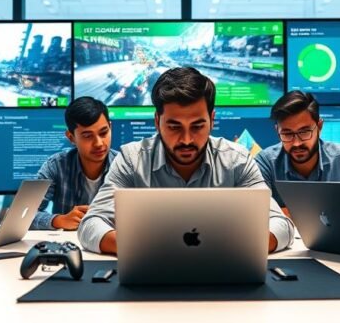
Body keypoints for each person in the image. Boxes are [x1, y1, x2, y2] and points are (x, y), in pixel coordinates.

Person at [78, 67, 294, 255]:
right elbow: (91, 224)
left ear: (212, 120)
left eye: (198, 126)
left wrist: (230, 248)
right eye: (174, 127)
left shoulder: (237, 160)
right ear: (157, 121)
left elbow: (281, 225)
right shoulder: (132, 160)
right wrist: (149, 248)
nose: (187, 140)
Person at [255, 90, 340, 224]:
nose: (297, 143)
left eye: (305, 132)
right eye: (287, 134)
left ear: (319, 126)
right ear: (277, 131)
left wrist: (329, 218)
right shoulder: (266, 162)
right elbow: (256, 213)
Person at [31, 96, 119, 230]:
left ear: (110, 127)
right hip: (68, 245)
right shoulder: (56, 165)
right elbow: (25, 215)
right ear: (71, 137)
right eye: (87, 136)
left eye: (103, 132)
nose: (99, 143)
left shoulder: (124, 165)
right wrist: (59, 220)